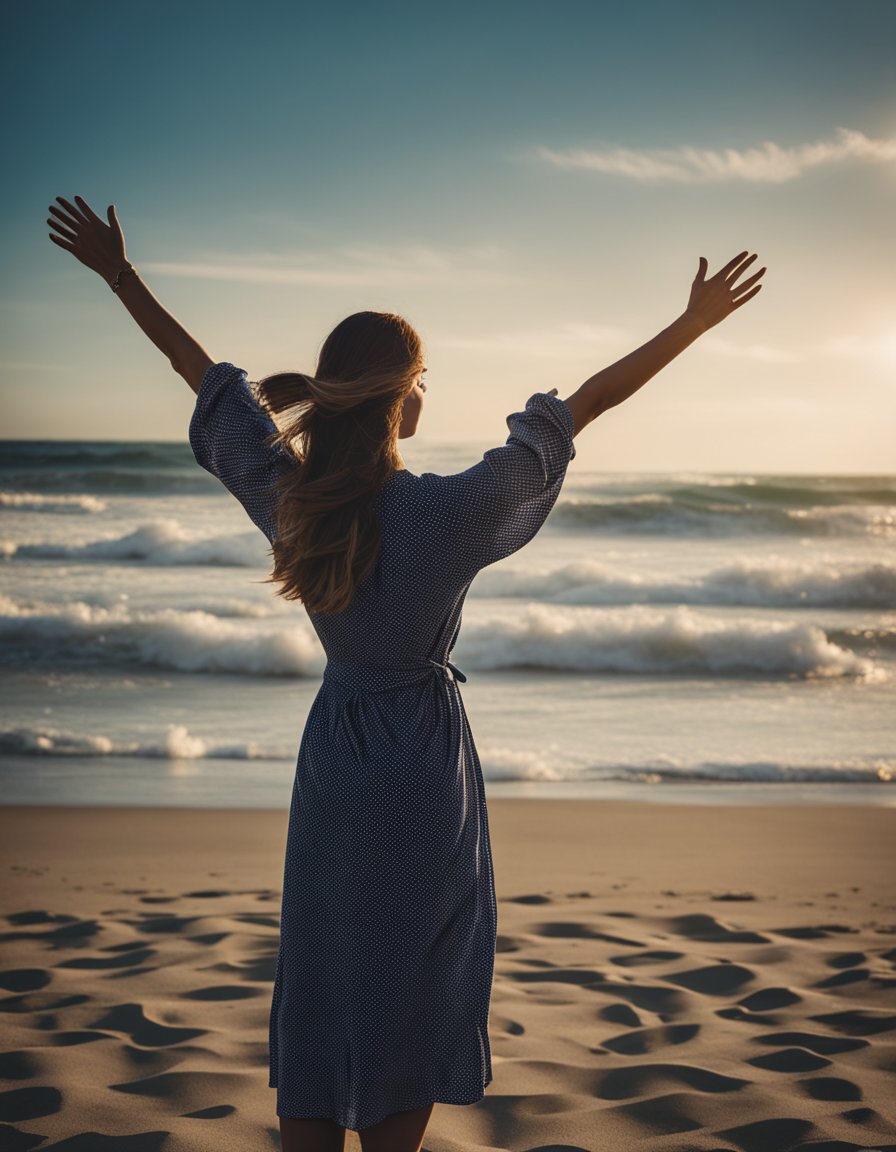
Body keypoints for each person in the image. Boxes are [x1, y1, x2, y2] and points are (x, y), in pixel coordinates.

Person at [47, 194, 765, 1152]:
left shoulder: (292, 497)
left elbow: (205, 378)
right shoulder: (451, 513)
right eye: (425, 377)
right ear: (405, 396)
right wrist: (691, 323)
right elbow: (580, 409)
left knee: (324, 977)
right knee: (412, 985)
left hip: (335, 759)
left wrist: (121, 275)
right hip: (424, 769)